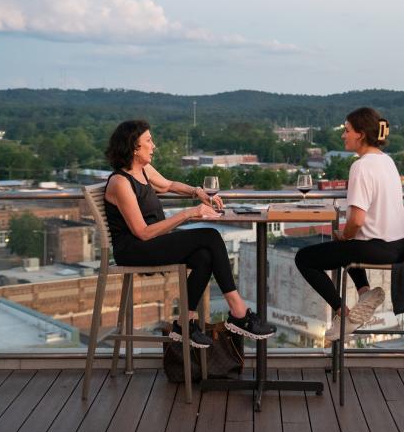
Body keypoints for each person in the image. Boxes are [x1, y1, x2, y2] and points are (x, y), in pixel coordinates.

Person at [104, 120, 275, 347]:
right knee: (210, 236)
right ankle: (238, 312)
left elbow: (167, 185)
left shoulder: (143, 170)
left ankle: (185, 322)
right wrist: (189, 213)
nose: (153, 146)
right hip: (134, 249)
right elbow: (142, 233)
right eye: (148, 141)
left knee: (204, 255)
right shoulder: (120, 182)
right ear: (134, 147)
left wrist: (197, 192)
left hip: (153, 242)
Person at [295, 107, 404, 340]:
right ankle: (365, 293)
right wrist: (347, 237)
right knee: (348, 245)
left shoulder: (361, 166)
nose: (343, 135)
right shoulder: (387, 161)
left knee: (304, 259)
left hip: (380, 247)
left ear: (361, 134)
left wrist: (344, 235)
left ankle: (343, 315)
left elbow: (356, 220)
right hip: (400, 245)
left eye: (346, 130)